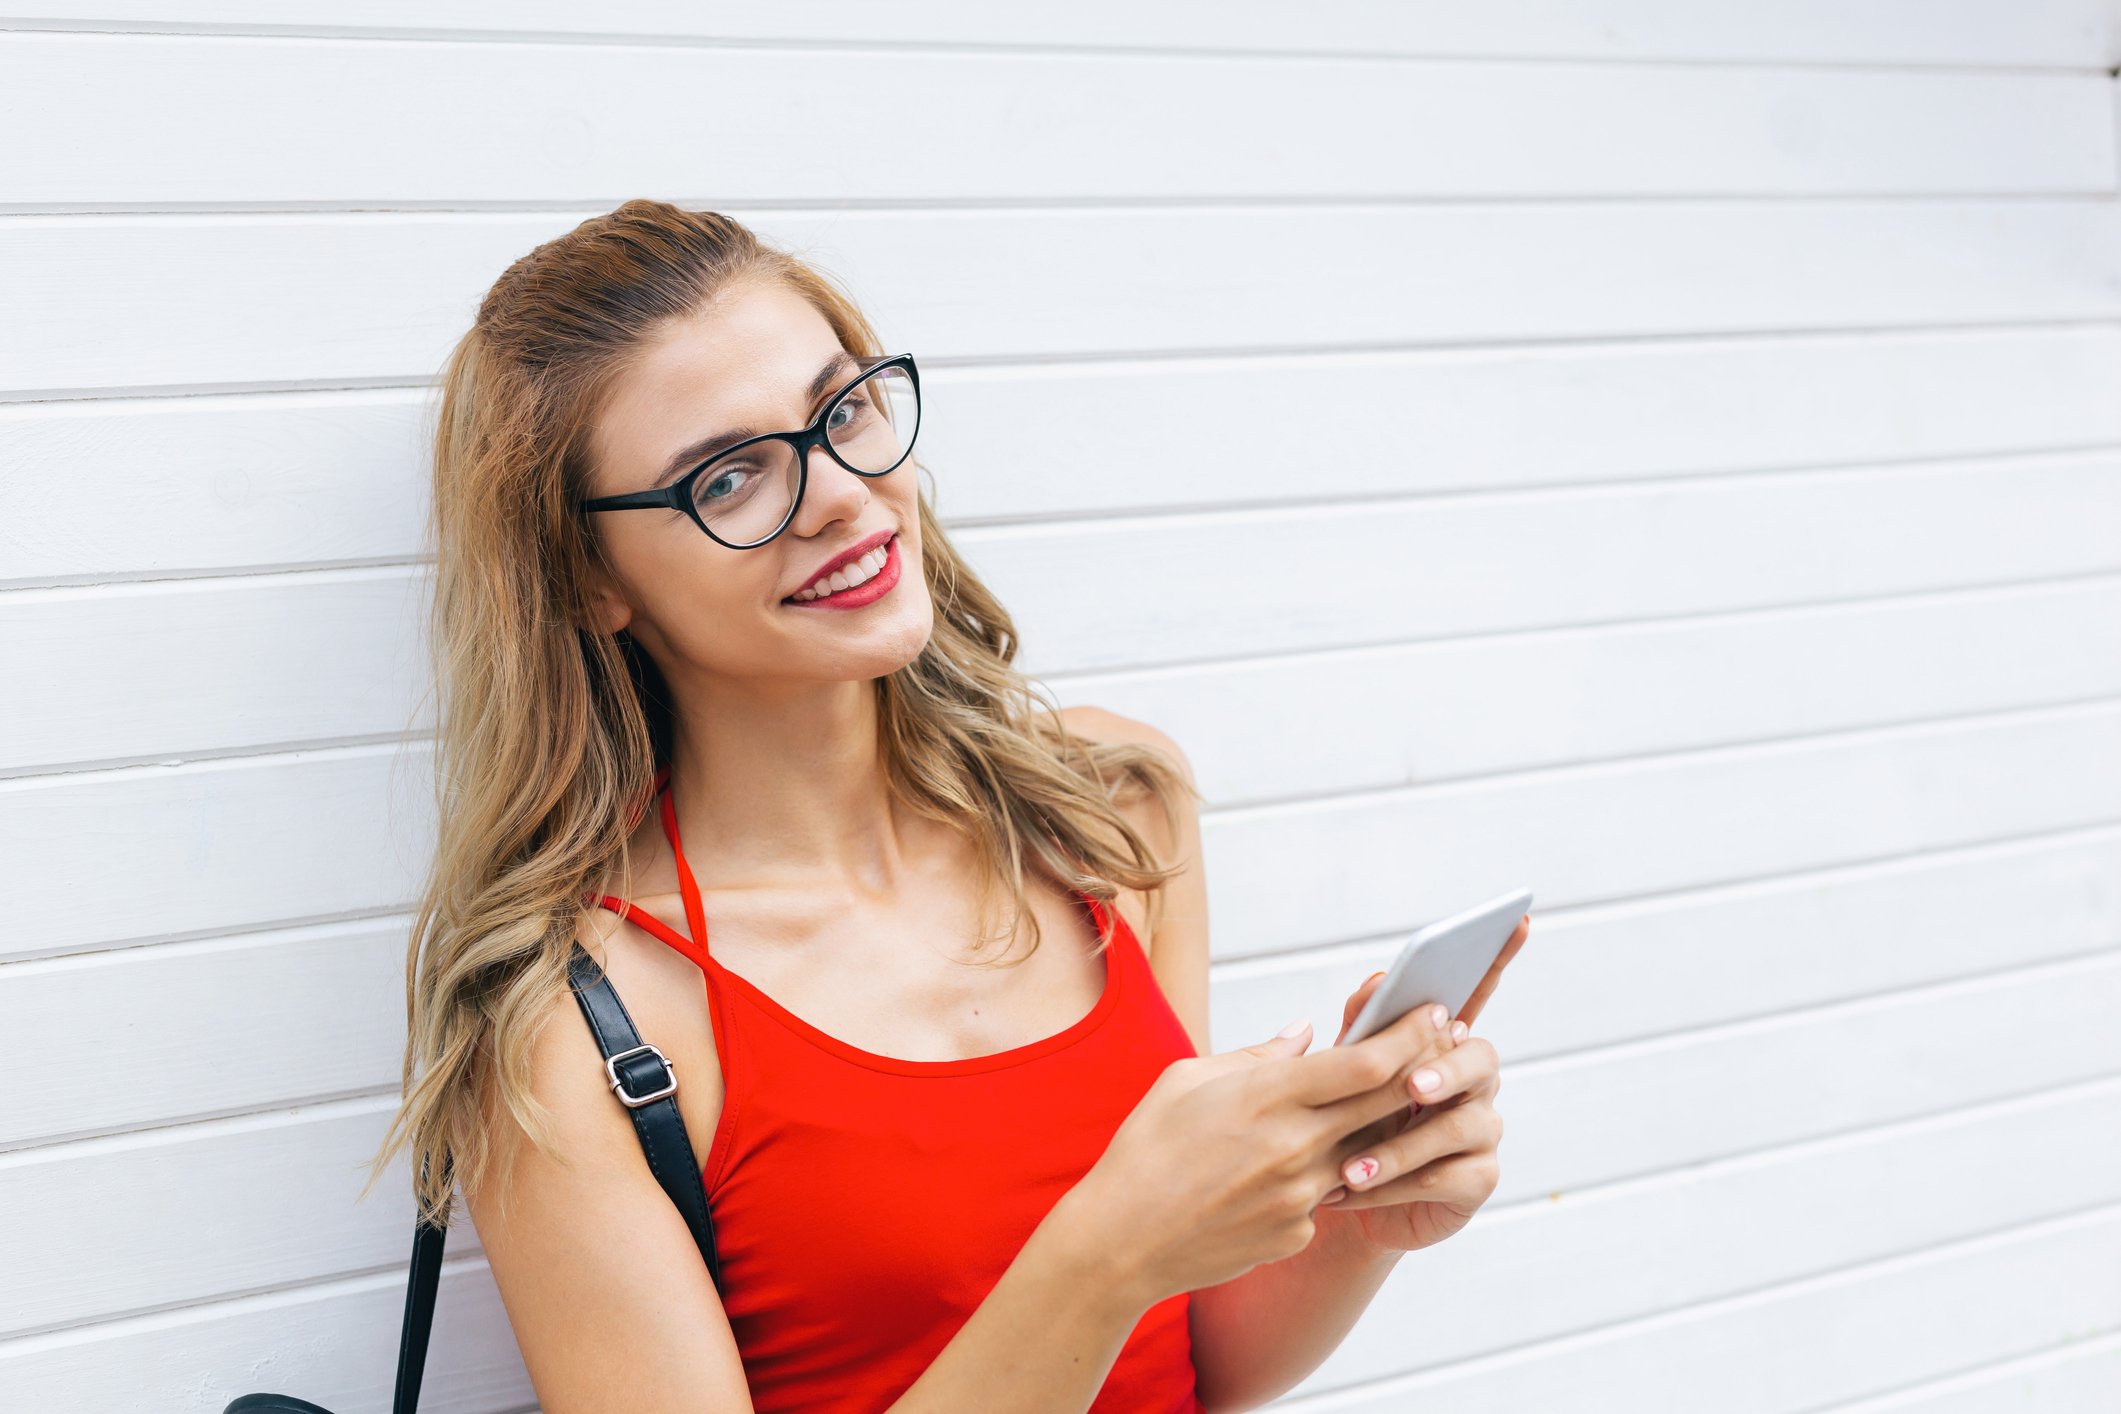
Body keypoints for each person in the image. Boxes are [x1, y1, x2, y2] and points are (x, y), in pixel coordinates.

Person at [361, 199, 1520, 1413]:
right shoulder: (577, 1028)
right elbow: (1111, 1279)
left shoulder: (1110, 811)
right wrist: (1103, 1248)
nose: (840, 498)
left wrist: (1360, 1210)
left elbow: (1194, 1365)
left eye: (843, 410)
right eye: (731, 477)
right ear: (592, 578)